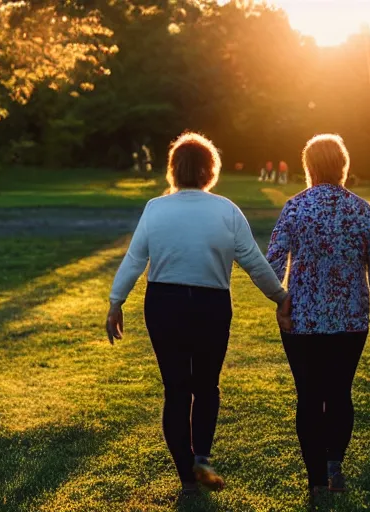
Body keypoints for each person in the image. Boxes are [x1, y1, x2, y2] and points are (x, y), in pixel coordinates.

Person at [106, 132, 291, 496]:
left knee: (176, 390)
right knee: (206, 386)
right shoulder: (226, 210)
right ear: (211, 170)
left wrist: (116, 301)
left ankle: (187, 478)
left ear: (173, 169)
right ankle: (201, 457)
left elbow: (134, 259)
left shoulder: (156, 208)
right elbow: (253, 261)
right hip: (211, 306)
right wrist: (280, 296)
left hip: (164, 303)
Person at [266, 134, 370, 497]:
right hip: (349, 321)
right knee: (339, 393)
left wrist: (281, 301)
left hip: (302, 322)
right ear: (344, 166)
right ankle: (334, 467)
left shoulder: (295, 207)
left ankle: (315, 483)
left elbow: (273, 263)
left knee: (308, 396)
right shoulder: (360, 209)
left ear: (308, 167)